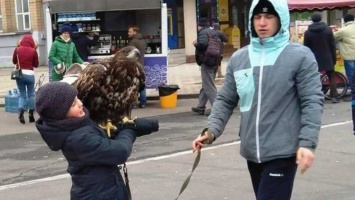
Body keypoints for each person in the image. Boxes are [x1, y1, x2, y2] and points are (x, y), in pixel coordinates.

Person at [192, 0, 324, 199]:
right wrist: (211, 131)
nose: (262, 22)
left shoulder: (300, 56)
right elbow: (226, 100)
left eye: (269, 17)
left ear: (281, 20)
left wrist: (307, 142)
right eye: (257, 17)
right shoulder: (239, 58)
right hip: (251, 151)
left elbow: (311, 101)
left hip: (283, 151)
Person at [35, 82, 159, 200]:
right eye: (73, 104)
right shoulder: (78, 139)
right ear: (59, 114)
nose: (80, 103)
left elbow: (107, 136)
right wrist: (130, 130)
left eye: (77, 98)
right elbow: (121, 151)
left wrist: (147, 125)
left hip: (106, 191)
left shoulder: (79, 125)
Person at [304, 12, 338, 103]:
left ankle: (318, 97)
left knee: (315, 78)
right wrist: (333, 59)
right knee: (331, 77)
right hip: (327, 56)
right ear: (320, 18)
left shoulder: (308, 33)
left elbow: (306, 48)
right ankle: (334, 96)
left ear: (312, 20)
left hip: (314, 58)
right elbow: (332, 45)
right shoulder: (328, 30)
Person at [191, 17, 219, 116]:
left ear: (200, 26)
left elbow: (202, 44)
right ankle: (201, 106)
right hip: (215, 60)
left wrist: (195, 44)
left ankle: (217, 109)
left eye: (198, 26)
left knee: (209, 86)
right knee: (205, 84)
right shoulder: (213, 32)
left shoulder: (203, 32)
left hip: (207, 61)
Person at [12, 34, 39, 124]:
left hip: (19, 75)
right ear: (31, 42)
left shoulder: (17, 49)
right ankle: (31, 114)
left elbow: (14, 61)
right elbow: (36, 64)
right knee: (31, 94)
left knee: (22, 95)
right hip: (30, 75)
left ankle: (21, 111)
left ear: (22, 41)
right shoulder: (33, 51)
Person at [334, 14, 355, 101]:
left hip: (349, 56)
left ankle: (353, 94)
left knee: (351, 76)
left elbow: (332, 36)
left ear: (345, 21)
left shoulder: (343, 31)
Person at [127, 25, 147, 108]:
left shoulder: (133, 42)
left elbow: (129, 55)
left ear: (135, 32)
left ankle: (133, 103)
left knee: (133, 85)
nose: (128, 33)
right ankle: (143, 103)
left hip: (134, 66)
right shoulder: (142, 41)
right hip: (141, 65)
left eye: (130, 32)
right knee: (142, 84)